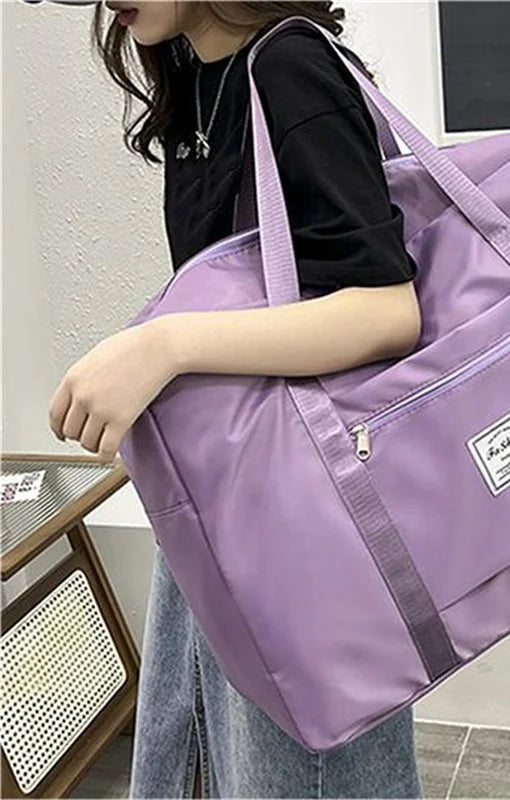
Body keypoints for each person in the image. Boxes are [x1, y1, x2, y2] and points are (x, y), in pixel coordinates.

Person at [46, 1, 424, 797]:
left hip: (296, 521)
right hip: (229, 499)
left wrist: (164, 347)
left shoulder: (288, 68)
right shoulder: (196, 76)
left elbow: (386, 310)